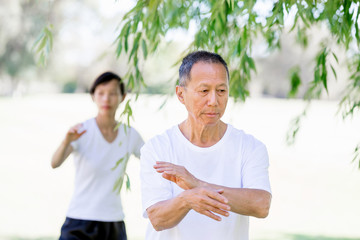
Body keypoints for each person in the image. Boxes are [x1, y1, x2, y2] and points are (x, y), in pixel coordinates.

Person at [140, 51, 272, 240]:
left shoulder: (250, 147)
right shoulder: (158, 148)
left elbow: (261, 205)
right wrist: (187, 200)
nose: (213, 101)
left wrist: (198, 185)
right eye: (204, 91)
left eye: (221, 91)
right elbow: (158, 219)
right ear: (180, 94)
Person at [51, 71, 144, 240]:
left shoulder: (130, 134)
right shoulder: (81, 131)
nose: (106, 99)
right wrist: (66, 141)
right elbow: (55, 163)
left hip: (113, 222)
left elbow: (153, 162)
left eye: (112, 93)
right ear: (93, 96)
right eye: (101, 93)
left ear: (122, 97)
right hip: (79, 220)